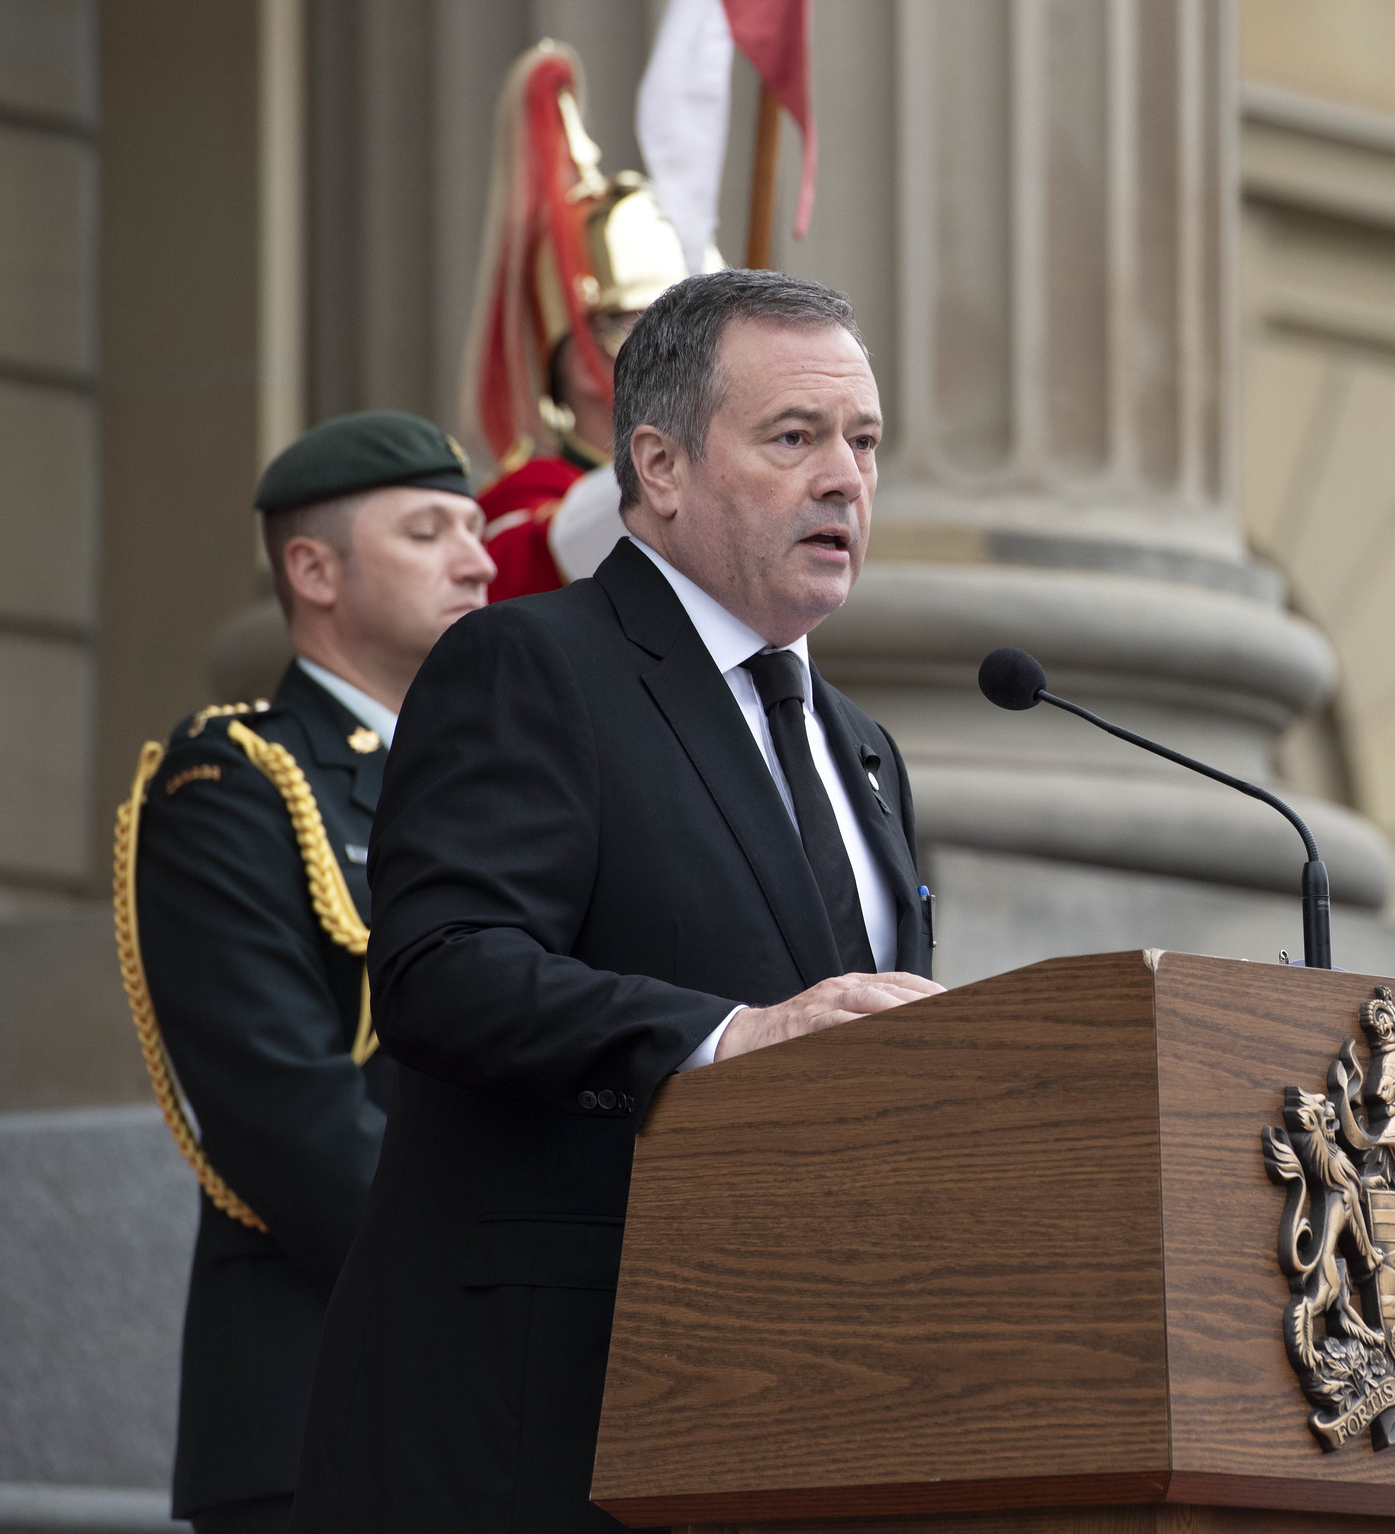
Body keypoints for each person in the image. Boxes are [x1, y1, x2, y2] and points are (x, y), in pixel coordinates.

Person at [289, 270, 943, 1532]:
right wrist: (725, 1039)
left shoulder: (861, 747)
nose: (845, 479)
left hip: (787, 1417)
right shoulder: (530, 665)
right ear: (657, 466)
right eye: (793, 437)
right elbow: (443, 971)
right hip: (540, 1425)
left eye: (863, 443)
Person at [114, 411, 495, 1534]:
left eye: (473, 529)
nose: (476, 560)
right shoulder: (233, 783)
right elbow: (283, 1104)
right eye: (429, 531)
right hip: (321, 1394)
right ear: (314, 569)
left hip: (495, 1408)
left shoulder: (486, 785)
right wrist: (495, 1284)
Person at [463, 39, 712, 600]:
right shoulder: (522, 511)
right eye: (657, 322)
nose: (695, 346)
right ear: (581, 360)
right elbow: (575, 536)